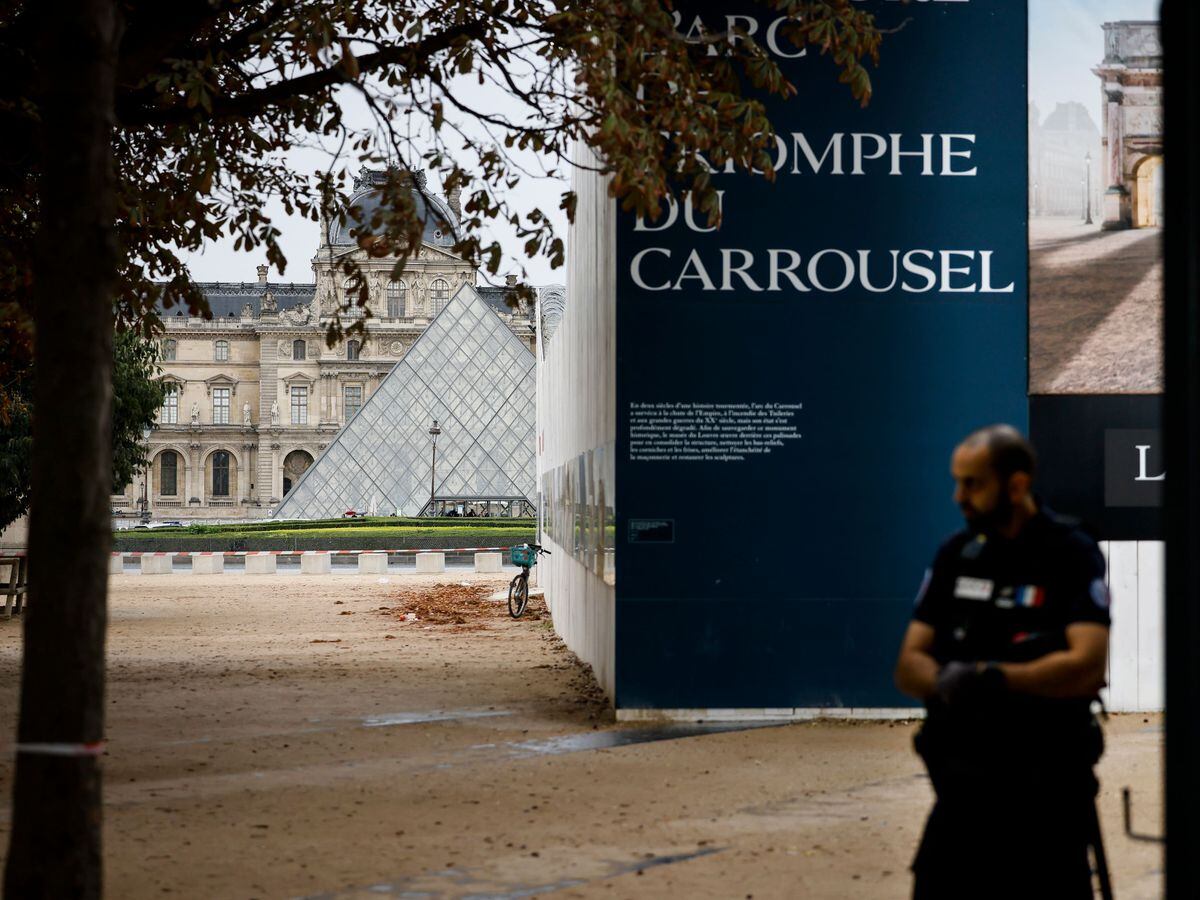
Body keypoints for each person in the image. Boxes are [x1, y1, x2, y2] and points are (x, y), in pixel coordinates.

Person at [894, 424, 1111, 900]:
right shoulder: (958, 555)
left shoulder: (1070, 553)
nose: (959, 496)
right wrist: (948, 680)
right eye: (957, 482)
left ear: (1016, 485)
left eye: (973, 483)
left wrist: (991, 678)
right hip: (963, 794)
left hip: (1046, 797)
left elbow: (1088, 665)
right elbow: (910, 662)